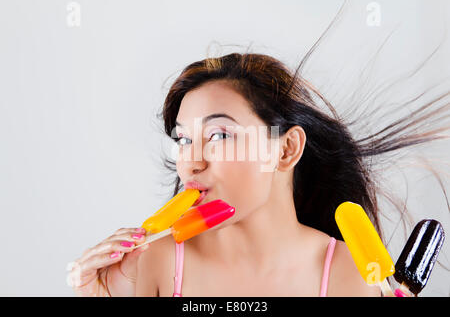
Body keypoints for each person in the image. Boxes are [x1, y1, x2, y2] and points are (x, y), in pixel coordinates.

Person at [68, 47, 449, 296]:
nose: (192, 161)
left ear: (286, 149)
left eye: (219, 134)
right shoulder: (156, 262)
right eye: (183, 140)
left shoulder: (353, 275)